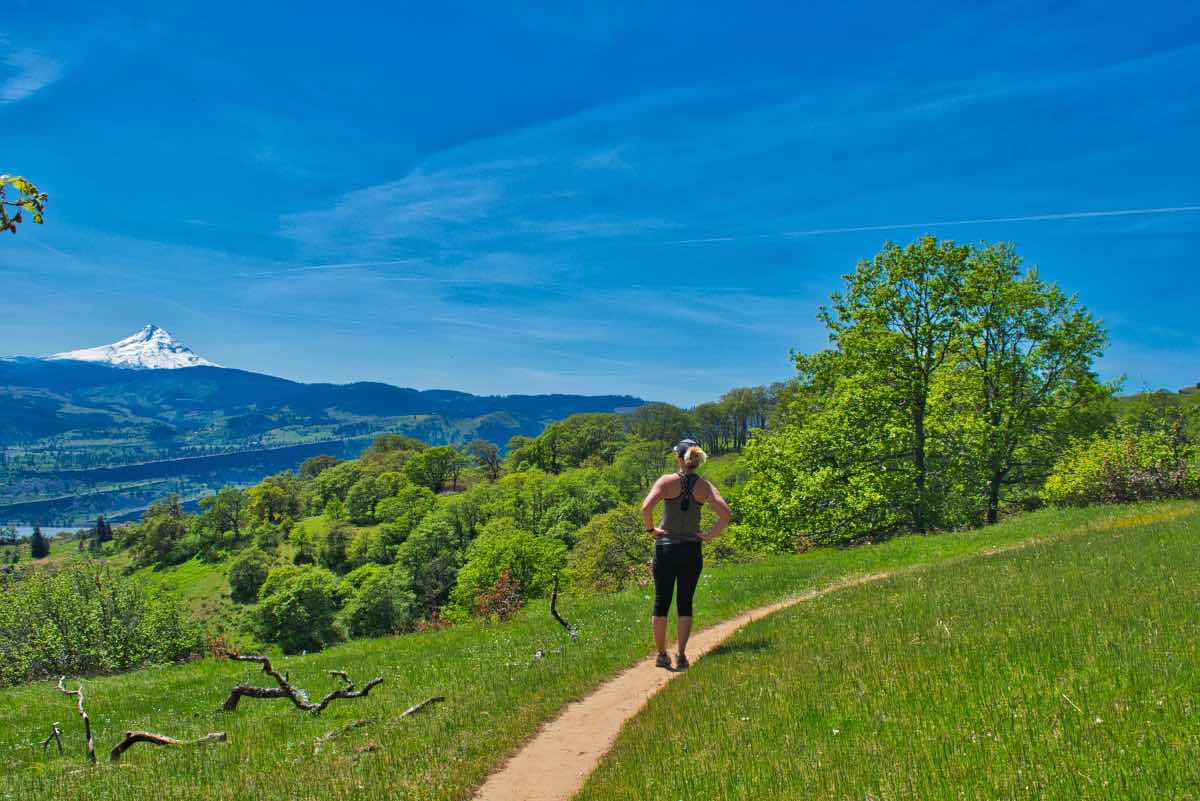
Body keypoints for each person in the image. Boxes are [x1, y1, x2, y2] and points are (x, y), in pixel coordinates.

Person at [640, 438, 732, 670]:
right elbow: (725, 514)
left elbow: (646, 508)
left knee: (661, 602)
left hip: (666, 547)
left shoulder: (667, 481)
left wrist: (652, 530)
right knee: (685, 603)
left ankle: (662, 655)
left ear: (679, 458)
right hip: (691, 549)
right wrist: (709, 536)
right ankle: (681, 655)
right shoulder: (704, 486)